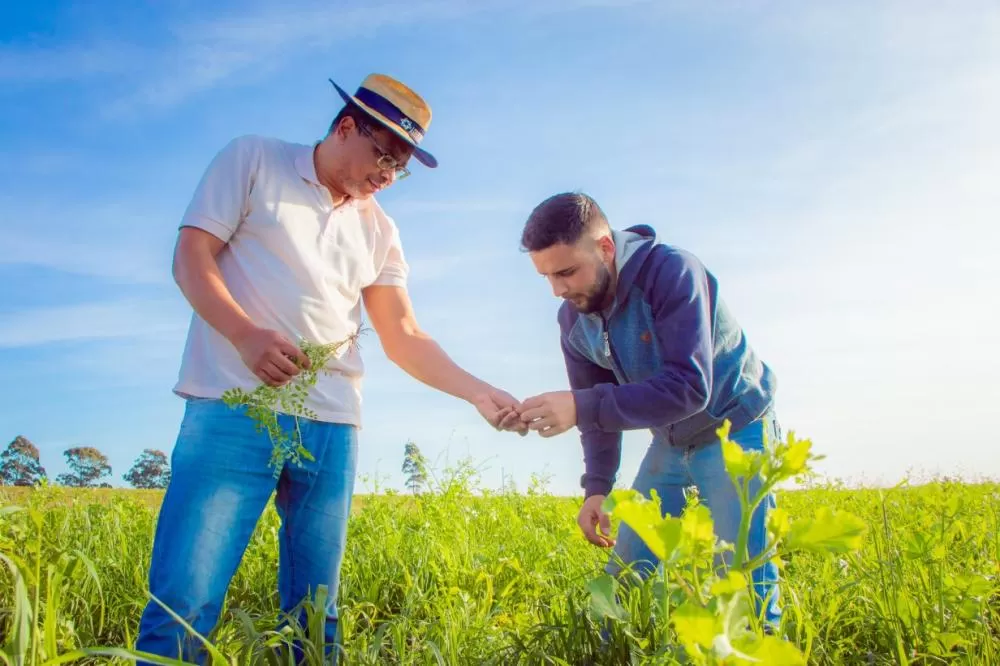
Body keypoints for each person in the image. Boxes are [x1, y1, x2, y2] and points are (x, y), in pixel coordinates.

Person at [135, 73, 524, 663]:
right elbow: (190, 257)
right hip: (233, 408)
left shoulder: (380, 230)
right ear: (346, 127)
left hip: (332, 425)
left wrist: (477, 392)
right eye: (383, 156)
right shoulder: (254, 160)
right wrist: (244, 334)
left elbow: (404, 334)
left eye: (401, 167)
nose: (389, 176)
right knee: (184, 601)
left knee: (317, 612)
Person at [508, 191, 782, 628]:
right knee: (624, 577)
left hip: (736, 426)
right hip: (670, 441)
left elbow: (690, 387)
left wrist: (580, 406)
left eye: (567, 272)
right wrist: (597, 487)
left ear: (605, 248)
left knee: (741, 584)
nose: (558, 290)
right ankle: (609, 652)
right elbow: (595, 408)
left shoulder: (672, 272)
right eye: (547, 277)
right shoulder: (572, 317)